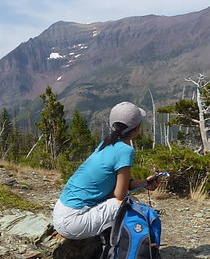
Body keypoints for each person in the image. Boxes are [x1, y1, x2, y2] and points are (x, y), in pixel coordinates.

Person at [52, 101, 160, 240]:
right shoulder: (125, 151)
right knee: (130, 203)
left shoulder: (106, 143)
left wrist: (145, 182)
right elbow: (119, 195)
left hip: (61, 212)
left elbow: (118, 185)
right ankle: (129, 247)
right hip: (72, 221)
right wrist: (136, 192)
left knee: (129, 202)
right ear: (136, 128)